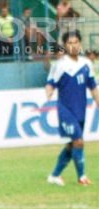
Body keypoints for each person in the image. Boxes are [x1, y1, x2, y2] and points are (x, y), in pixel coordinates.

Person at [46, 30, 99, 187]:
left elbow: (93, 86)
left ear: (80, 44)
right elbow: (50, 83)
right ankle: (81, 176)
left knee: (72, 144)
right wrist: (48, 92)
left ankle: (54, 175)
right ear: (64, 46)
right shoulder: (60, 65)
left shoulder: (86, 64)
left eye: (76, 42)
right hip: (65, 110)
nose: (73, 45)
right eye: (69, 43)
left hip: (80, 110)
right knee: (78, 142)